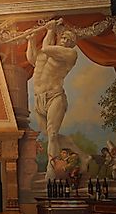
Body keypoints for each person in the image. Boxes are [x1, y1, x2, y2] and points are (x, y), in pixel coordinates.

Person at [27, 19, 78, 179]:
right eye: (64, 38)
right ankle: (79, 153)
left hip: (55, 97)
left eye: (69, 40)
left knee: (53, 134)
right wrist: (31, 41)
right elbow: (33, 60)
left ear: (72, 45)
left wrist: (50, 30)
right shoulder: (47, 52)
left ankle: (52, 167)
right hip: (39, 99)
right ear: (59, 37)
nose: (66, 41)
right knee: (49, 134)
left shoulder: (70, 54)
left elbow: (46, 48)